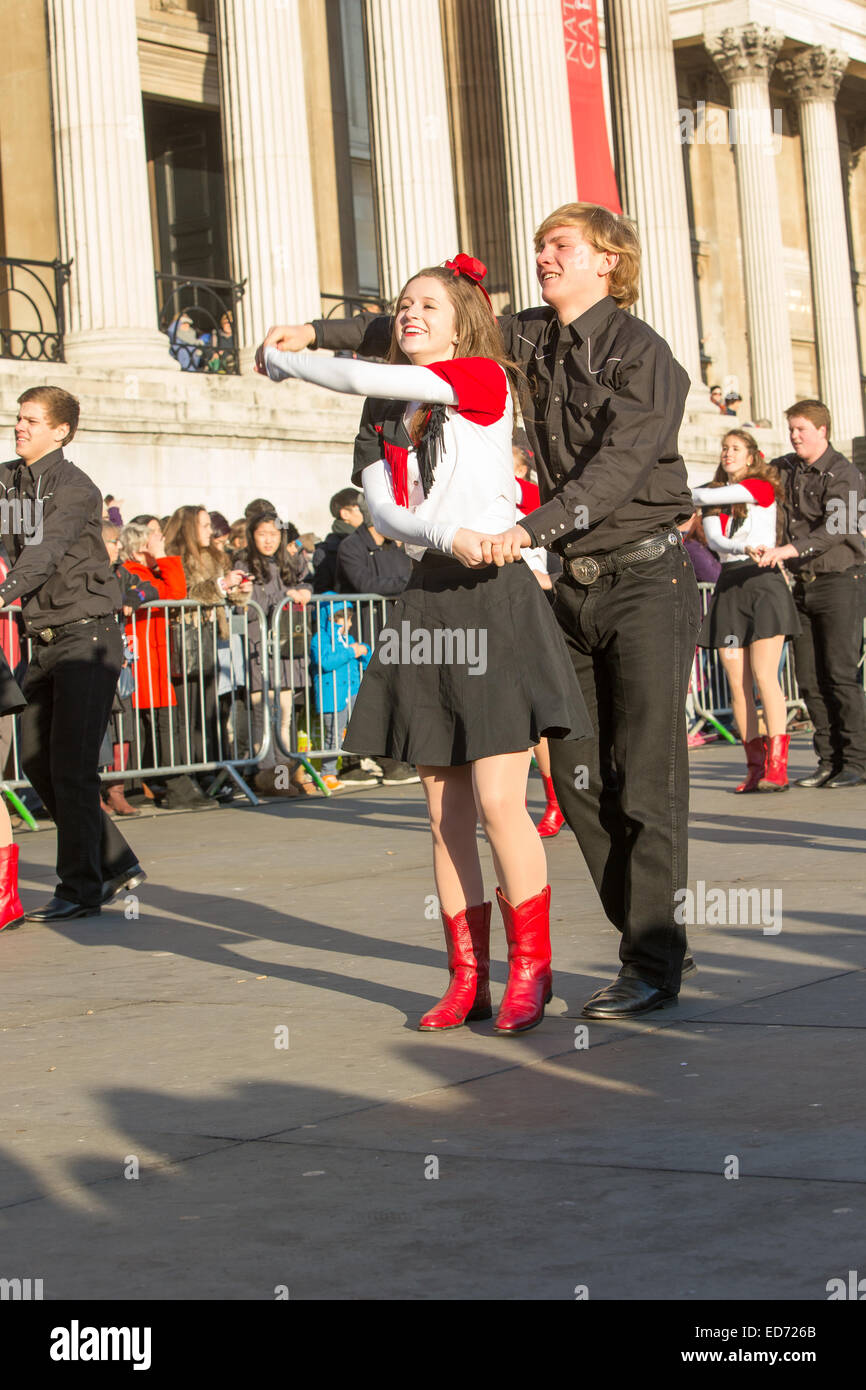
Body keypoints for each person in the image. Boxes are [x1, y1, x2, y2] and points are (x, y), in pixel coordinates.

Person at [264, 206, 700, 1019]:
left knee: (642, 778)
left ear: (608, 260)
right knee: (575, 780)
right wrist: (312, 329)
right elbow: (419, 321)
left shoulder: (646, 356)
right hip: (567, 581)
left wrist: (525, 529)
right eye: (537, 246)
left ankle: (652, 957)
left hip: (644, 575)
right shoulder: (527, 337)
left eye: (559, 247)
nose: (541, 257)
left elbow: (617, 468)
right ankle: (644, 935)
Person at [260, 253, 591, 1035]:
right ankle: (465, 977)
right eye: (404, 306)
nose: (410, 315)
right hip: (431, 595)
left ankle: (531, 974)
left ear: (462, 320)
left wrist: (287, 356)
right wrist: (447, 531)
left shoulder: (481, 376)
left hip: (496, 597)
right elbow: (385, 507)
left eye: (428, 306)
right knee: (443, 813)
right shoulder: (383, 409)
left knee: (503, 802)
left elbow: (353, 375)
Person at [0, 386, 145, 920]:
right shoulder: (6, 480)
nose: (20, 427)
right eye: (17, 418)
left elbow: (43, 551)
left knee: (71, 767)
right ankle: (111, 862)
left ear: (60, 430)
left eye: (31, 420)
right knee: (37, 760)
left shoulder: (76, 487)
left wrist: (0, 595)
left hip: (88, 637)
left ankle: (81, 887)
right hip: (42, 639)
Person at [753, 399, 866, 788]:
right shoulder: (785, 468)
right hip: (801, 585)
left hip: (840, 580)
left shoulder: (844, 474)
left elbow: (837, 527)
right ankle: (827, 758)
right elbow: (755, 483)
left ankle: (855, 761)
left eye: (801, 429)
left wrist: (787, 550)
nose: (794, 436)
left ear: (823, 431)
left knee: (839, 674)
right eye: (791, 429)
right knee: (809, 679)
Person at [692, 430, 800, 791]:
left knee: (765, 676)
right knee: (738, 685)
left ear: (752, 456)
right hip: (730, 584)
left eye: (735, 449)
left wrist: (675, 494)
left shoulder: (760, 487)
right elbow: (719, 541)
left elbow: (699, 495)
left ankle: (777, 766)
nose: (728, 453)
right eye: (724, 448)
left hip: (763, 583)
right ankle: (753, 766)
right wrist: (743, 545)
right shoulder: (714, 498)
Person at [164, 505, 253, 771]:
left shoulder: (216, 555)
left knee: (211, 711)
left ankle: (214, 769)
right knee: (187, 714)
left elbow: (224, 595)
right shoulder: (175, 556)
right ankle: (189, 770)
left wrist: (238, 589)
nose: (209, 530)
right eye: (203, 525)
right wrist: (221, 585)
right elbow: (184, 594)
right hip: (186, 638)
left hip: (214, 637)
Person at [236, 508, 316, 798]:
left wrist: (304, 589)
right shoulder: (244, 563)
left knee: (284, 716)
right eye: (262, 534)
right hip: (260, 644)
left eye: (273, 534)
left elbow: (305, 580)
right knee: (263, 714)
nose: (268, 540)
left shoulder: (288, 560)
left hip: (287, 644)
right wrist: (288, 596)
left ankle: (285, 775)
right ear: (252, 536)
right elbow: (254, 600)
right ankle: (268, 775)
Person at [309, 600, 370, 790]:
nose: (350, 624)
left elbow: (361, 661)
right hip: (332, 695)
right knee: (333, 736)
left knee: (352, 732)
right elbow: (326, 662)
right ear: (332, 619)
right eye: (346, 620)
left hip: (351, 692)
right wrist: (351, 651)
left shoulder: (349, 639)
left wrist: (365, 652)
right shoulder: (320, 639)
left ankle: (351, 766)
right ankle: (328, 773)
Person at [313, 489, 365, 593]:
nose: (366, 511)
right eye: (361, 508)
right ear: (345, 514)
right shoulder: (325, 551)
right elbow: (323, 591)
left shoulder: (371, 541)